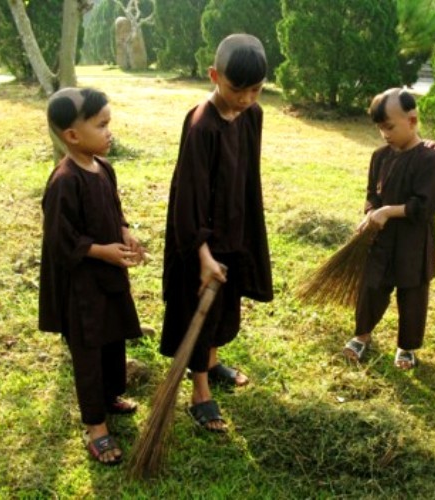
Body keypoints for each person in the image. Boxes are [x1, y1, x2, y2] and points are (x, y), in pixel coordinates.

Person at [160, 34, 273, 432]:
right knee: (198, 310)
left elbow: (246, 177)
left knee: (224, 305)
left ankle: (210, 360)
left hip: (234, 230)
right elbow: (187, 198)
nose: (245, 99)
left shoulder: (252, 115)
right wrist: (203, 254)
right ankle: (200, 392)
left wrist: (244, 233)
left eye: (255, 90)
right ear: (214, 76)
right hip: (197, 238)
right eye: (235, 89)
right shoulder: (200, 125)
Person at [39, 87, 145, 465]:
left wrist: (126, 233)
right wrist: (101, 251)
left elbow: (114, 211)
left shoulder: (105, 169)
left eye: (109, 124)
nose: (109, 132)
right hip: (81, 289)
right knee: (88, 353)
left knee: (113, 340)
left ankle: (111, 395)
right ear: (71, 135)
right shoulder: (64, 181)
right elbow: (59, 240)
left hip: (109, 282)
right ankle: (95, 427)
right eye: (101, 125)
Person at [342, 88, 435, 369]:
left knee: (412, 293)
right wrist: (372, 212)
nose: (384, 134)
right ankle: (362, 335)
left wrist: (389, 211)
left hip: (413, 241)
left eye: (389, 126)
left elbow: (427, 206)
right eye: (379, 128)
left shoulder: (429, 159)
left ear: (412, 120)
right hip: (382, 239)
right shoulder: (380, 156)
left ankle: (407, 347)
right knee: (371, 286)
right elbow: (371, 194)